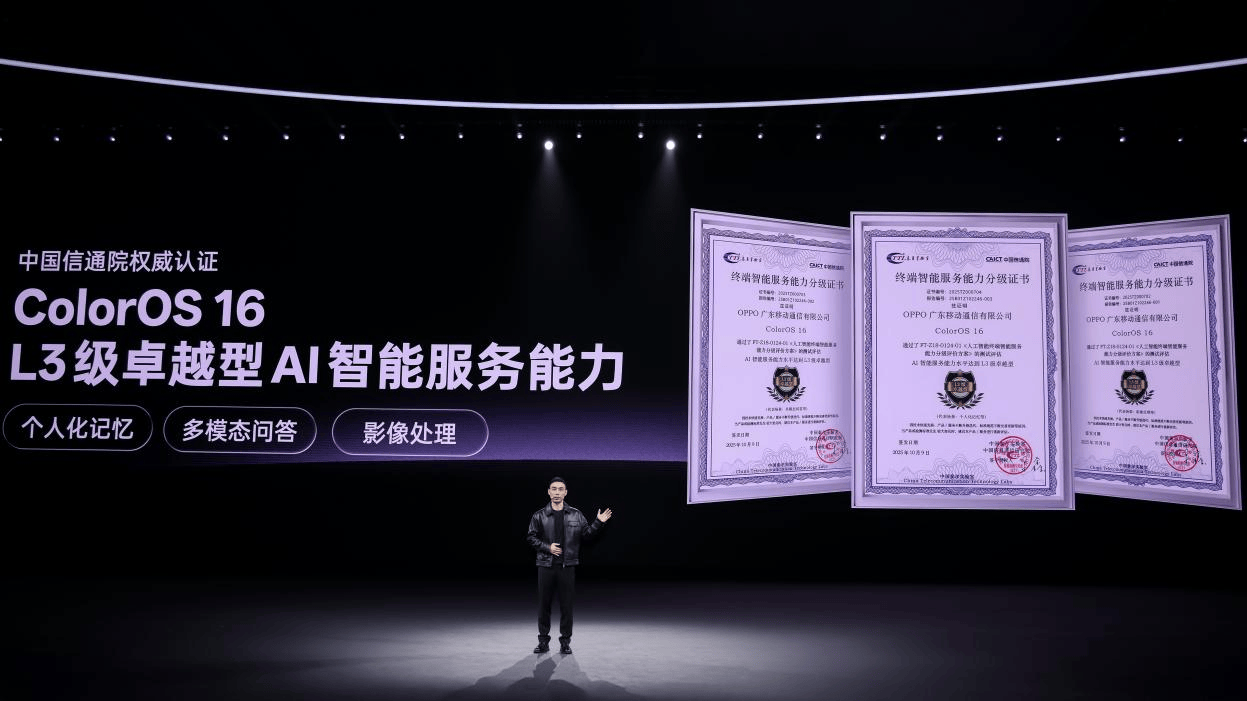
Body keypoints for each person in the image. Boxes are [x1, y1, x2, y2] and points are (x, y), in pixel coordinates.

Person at [525, 476, 612, 654]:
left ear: (565, 492)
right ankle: (543, 642)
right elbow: (531, 537)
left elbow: (586, 535)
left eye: (560, 489)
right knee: (544, 606)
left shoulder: (576, 514)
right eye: (554, 489)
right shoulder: (539, 515)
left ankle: (565, 642)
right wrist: (547, 547)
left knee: (566, 606)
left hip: (567, 566)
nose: (557, 492)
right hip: (546, 566)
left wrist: (598, 522)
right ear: (548, 492)